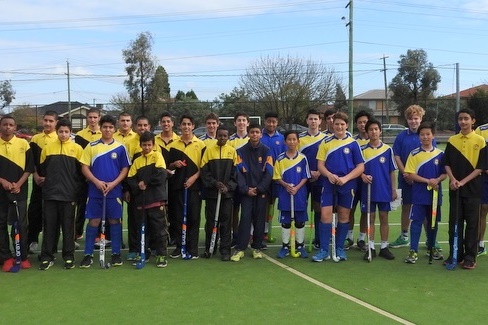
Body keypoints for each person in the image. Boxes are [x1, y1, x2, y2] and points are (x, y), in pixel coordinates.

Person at [79, 115, 130, 268]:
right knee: (93, 221)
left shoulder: (120, 147)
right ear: (100, 128)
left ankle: (115, 254)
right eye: (105, 127)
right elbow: (84, 167)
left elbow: (125, 169)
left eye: (110, 127)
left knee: (115, 220)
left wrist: (113, 184)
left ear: (114, 129)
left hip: (114, 192)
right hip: (95, 191)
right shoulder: (91, 146)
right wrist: (96, 182)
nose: (107, 130)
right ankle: (88, 254)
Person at [312, 112, 364, 262]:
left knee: (344, 216)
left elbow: (360, 167)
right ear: (332, 125)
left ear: (347, 125)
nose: (339, 127)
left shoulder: (353, 144)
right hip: (328, 184)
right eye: (337, 124)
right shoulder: (326, 142)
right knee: (325, 216)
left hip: (347, 185)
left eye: (342, 124)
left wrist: (346, 178)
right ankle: (323, 250)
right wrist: (329, 175)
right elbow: (320, 165)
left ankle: (340, 248)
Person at [442, 108, 487, 269]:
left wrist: (463, 181)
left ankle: (470, 257)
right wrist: (454, 180)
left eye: (466, 119)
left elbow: (481, 167)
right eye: (460, 119)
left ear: (473, 121)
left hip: (473, 189)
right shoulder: (452, 140)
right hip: (455, 189)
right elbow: (446, 163)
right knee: (455, 223)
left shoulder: (480, 141)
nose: (463, 121)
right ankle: (455, 254)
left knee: (472, 224)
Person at [390, 105, 438, 250]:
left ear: (421, 118)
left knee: (424, 209)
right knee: (406, 207)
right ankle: (404, 236)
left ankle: (431, 239)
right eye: (410, 118)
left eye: (416, 118)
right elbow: (396, 155)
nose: (413, 121)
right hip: (406, 179)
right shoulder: (401, 137)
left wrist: (418, 177)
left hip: (423, 180)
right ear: (407, 120)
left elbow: (431, 155)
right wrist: (406, 173)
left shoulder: (427, 135)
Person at [38, 119, 84, 270]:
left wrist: (74, 191)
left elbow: (81, 174)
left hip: (69, 196)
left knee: (68, 227)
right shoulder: (47, 148)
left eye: (66, 132)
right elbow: (42, 170)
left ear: (71, 132)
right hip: (50, 194)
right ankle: (47, 256)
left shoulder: (77, 149)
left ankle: (69, 256)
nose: (63, 134)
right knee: (50, 227)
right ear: (56, 132)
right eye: (61, 131)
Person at [403, 122, 446, 264]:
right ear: (419, 136)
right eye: (422, 134)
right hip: (419, 194)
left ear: (433, 135)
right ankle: (413, 250)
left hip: (435, 195)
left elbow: (444, 174)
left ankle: (431, 247)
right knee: (416, 221)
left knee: (433, 222)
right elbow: (409, 173)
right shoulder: (414, 154)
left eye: (428, 134)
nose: (425, 137)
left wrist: (437, 180)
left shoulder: (440, 154)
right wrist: (427, 181)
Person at [231, 124, 273, 261]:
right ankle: (240, 248)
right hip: (246, 192)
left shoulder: (267, 151)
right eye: (252, 132)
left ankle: (257, 247)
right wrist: (245, 189)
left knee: (259, 219)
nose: (254, 134)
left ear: (261, 134)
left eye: (257, 132)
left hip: (261, 192)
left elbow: (269, 173)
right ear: (248, 134)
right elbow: (238, 173)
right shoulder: (240, 151)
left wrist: (260, 188)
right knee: (245, 219)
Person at [127, 131, 169, 268]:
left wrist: (145, 182)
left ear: (153, 144)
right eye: (144, 145)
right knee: (142, 229)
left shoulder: (158, 156)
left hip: (156, 200)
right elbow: (130, 178)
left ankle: (161, 255)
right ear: (140, 145)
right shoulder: (137, 161)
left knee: (159, 229)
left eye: (149, 145)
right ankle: (143, 252)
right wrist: (138, 185)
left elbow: (161, 175)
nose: (146, 147)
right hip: (141, 202)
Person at [166, 114, 206, 259]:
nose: (186, 127)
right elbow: (168, 166)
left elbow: (204, 167)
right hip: (177, 187)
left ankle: (192, 248)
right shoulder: (174, 145)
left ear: (193, 126)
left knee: (194, 218)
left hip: (194, 188)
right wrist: (173, 164)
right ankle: (179, 246)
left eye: (189, 124)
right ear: (180, 126)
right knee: (176, 218)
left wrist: (193, 178)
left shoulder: (201, 144)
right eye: (184, 124)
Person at [0, 115, 34, 272]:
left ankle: (22, 256)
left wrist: (19, 184)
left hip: (19, 192)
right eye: (5, 124)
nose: (8, 127)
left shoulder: (23, 144)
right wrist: (3, 181)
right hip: (1, 193)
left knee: (20, 225)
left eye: (11, 125)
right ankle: (6, 257)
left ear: (15, 127)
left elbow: (29, 168)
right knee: (1, 225)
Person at [360, 119, 397, 260]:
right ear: (367, 132)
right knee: (370, 218)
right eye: (371, 129)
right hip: (368, 190)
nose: (374, 132)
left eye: (376, 129)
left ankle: (384, 247)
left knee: (384, 218)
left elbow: (391, 172)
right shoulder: (362, 150)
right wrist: (362, 175)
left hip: (384, 190)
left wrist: (393, 190)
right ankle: (370, 246)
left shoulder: (387, 150)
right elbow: (358, 169)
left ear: (380, 131)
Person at [200, 126, 238, 261]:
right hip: (212, 194)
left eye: (225, 136)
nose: (222, 138)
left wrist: (228, 187)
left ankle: (225, 250)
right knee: (211, 222)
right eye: (220, 135)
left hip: (226, 196)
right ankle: (210, 248)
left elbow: (236, 174)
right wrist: (215, 183)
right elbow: (204, 172)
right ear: (216, 136)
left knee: (226, 223)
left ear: (228, 137)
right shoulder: (209, 151)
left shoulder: (232, 152)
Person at [274, 130, 310, 259]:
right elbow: (277, 177)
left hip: (299, 194)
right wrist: (286, 185)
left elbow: (306, 176)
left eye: (294, 139)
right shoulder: (280, 158)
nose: (292, 142)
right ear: (285, 141)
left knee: (300, 221)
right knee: (286, 221)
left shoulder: (303, 158)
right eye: (289, 139)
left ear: (298, 141)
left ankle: (300, 245)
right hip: (285, 193)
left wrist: (297, 188)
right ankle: (285, 246)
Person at [27, 110, 58, 254]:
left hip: (54, 184)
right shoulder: (35, 139)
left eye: (51, 121)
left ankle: (54, 243)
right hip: (38, 182)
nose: (47, 123)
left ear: (56, 123)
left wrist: (49, 178)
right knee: (34, 212)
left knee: (54, 214)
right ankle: (32, 240)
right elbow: (31, 161)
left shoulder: (60, 138)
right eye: (46, 120)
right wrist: (36, 175)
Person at [124, 116, 152, 260]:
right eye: (140, 125)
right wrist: (127, 189)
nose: (142, 128)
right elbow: (126, 169)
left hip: (150, 191)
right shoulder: (129, 143)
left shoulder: (154, 143)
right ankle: (134, 249)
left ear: (149, 126)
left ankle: (147, 247)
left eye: (145, 125)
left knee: (150, 220)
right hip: (135, 190)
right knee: (134, 219)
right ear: (135, 127)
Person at [298, 109, 326, 250]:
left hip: (320, 178)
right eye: (311, 119)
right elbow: (296, 160)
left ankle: (319, 238)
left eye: (316, 119)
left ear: (320, 121)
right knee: (301, 207)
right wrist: (309, 173)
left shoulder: (326, 139)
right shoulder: (300, 139)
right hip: (303, 179)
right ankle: (299, 240)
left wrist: (319, 172)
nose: (313, 121)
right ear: (307, 121)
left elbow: (327, 159)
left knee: (318, 208)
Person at [74, 108, 102, 240]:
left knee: (98, 206)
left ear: (99, 118)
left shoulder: (104, 133)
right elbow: (79, 158)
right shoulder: (80, 135)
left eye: (95, 117)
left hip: (99, 176)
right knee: (81, 205)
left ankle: (98, 235)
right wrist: (85, 175)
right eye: (90, 117)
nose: (92, 120)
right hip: (83, 178)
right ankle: (77, 232)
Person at [346, 110, 371, 251]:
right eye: (360, 122)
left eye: (365, 122)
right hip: (354, 181)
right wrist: (359, 174)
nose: (363, 125)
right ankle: (349, 238)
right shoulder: (352, 141)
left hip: (368, 183)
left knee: (365, 211)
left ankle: (361, 239)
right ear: (356, 124)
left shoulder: (374, 140)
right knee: (350, 209)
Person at [261, 112, 286, 244]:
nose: (271, 124)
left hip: (277, 178)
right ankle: (263, 231)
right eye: (269, 121)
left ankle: (275, 231)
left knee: (274, 204)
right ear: (265, 122)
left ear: (277, 123)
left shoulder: (281, 138)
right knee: (263, 205)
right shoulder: (259, 136)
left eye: (274, 122)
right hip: (262, 177)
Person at [155, 112, 180, 246]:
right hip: (159, 180)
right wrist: (164, 170)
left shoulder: (178, 140)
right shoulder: (155, 140)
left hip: (175, 180)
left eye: (168, 121)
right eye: (163, 121)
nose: (166, 124)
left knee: (174, 208)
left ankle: (174, 236)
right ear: (160, 123)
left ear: (172, 123)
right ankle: (161, 236)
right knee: (160, 209)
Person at [229, 112, 250, 244]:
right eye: (239, 120)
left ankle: (248, 235)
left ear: (247, 123)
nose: (241, 123)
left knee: (248, 210)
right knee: (234, 209)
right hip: (235, 181)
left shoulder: (254, 138)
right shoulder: (230, 141)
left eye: (244, 120)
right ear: (235, 123)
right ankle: (235, 235)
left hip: (250, 181)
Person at [474, 122, 488, 256]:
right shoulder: (481, 130)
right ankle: (480, 242)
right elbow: (476, 153)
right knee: (482, 209)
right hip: (484, 177)